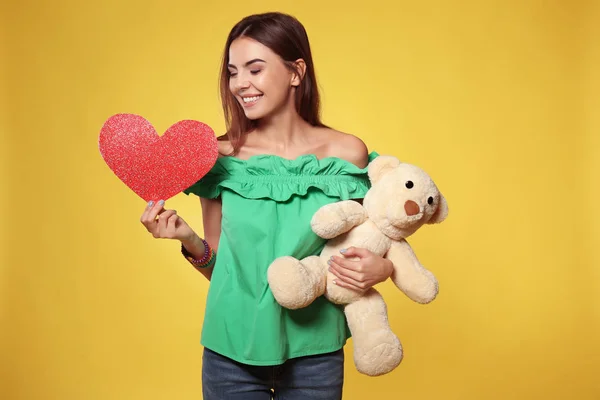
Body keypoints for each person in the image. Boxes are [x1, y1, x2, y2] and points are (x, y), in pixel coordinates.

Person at [140, 11, 394, 400]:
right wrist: (188, 239)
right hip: (231, 352)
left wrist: (384, 268)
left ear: (296, 72)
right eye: (232, 72)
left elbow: (368, 241)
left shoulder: (346, 154)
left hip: (316, 354)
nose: (240, 84)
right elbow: (220, 264)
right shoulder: (217, 157)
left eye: (254, 70)